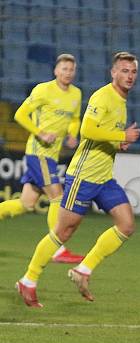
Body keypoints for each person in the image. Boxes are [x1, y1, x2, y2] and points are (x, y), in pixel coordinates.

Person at [16, 52, 140, 307]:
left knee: (126, 225)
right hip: (83, 177)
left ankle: (83, 270)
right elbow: (88, 129)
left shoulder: (121, 100)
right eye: (124, 71)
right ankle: (28, 280)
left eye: (133, 72)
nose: (129, 76)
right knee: (63, 231)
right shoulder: (103, 96)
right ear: (113, 72)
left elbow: (100, 135)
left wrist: (118, 142)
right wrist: (121, 134)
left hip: (104, 177)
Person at [0, 54, 84, 263]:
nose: (68, 73)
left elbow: (74, 119)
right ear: (56, 71)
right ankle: (57, 249)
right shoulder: (43, 90)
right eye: (64, 69)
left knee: (25, 204)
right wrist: (40, 133)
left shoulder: (76, 94)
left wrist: (73, 135)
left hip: (52, 155)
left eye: (71, 70)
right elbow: (20, 114)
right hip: (39, 152)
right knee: (57, 196)